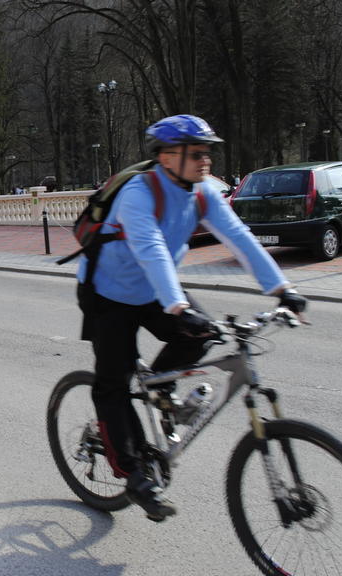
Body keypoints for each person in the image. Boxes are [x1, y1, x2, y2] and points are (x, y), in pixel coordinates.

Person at [77, 114, 307, 522]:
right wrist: (178, 307)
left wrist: (281, 290)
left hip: (152, 291)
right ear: (168, 156)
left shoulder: (202, 194)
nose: (206, 162)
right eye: (197, 153)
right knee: (112, 384)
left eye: (208, 153)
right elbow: (151, 249)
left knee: (203, 335)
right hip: (108, 292)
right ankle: (133, 474)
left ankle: (158, 391)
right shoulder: (139, 192)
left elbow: (240, 238)